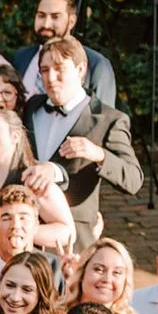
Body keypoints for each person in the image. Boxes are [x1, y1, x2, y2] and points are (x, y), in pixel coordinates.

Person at [22, 38, 140, 248]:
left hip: (74, 235)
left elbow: (133, 179)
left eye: (59, 69)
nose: (51, 78)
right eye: (45, 70)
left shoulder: (109, 119)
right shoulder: (32, 107)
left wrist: (99, 154)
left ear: (80, 69)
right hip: (26, 228)